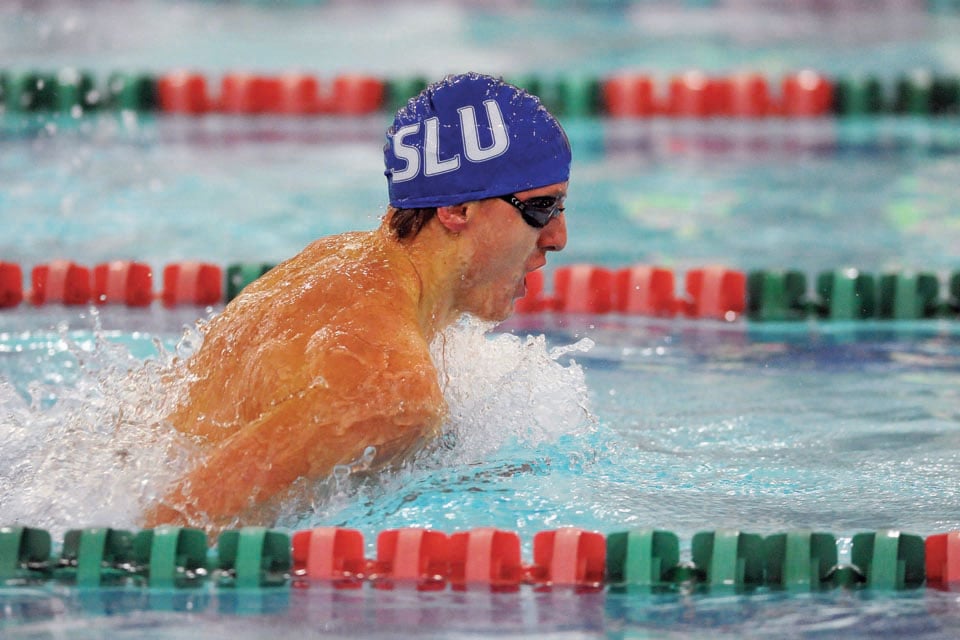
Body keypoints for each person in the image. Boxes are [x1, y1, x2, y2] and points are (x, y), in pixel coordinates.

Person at [142, 72, 572, 533]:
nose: (558, 238)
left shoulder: (335, 259)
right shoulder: (392, 390)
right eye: (541, 208)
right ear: (456, 210)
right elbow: (168, 532)